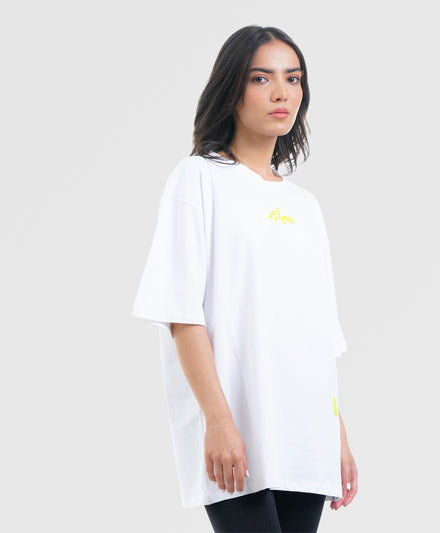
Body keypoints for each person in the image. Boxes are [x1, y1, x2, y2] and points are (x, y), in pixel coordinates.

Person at [131, 25, 358, 532]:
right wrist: (217, 420)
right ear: (232, 89)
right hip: (235, 431)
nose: (282, 93)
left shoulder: (305, 206)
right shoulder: (197, 179)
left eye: (293, 78)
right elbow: (181, 313)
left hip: (308, 436)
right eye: (261, 78)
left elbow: (319, 338)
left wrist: (338, 437)